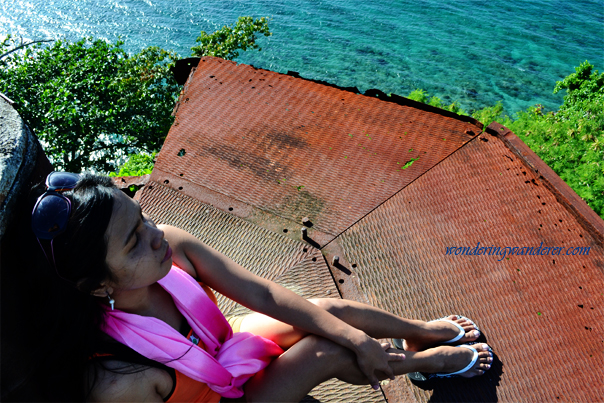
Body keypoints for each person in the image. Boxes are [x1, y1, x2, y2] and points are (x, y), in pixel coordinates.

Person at [17, 172, 492, 402]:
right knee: (324, 353)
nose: (156, 234)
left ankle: (420, 332)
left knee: (330, 312)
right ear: (100, 287)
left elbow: (264, 295)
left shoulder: (172, 249)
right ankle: (423, 364)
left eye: (142, 216)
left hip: (225, 349)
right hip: (221, 400)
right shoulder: (117, 378)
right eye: (134, 241)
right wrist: (351, 347)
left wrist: (354, 335)